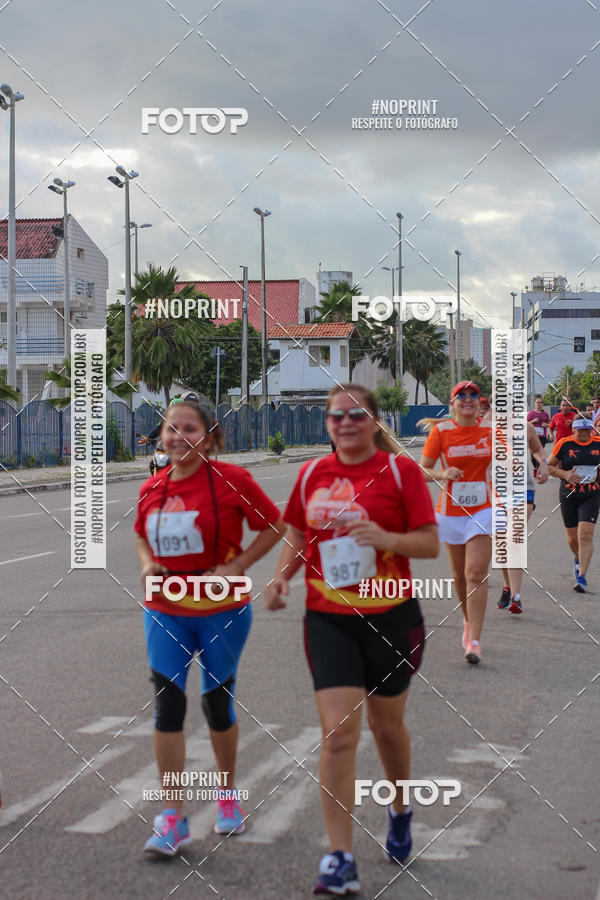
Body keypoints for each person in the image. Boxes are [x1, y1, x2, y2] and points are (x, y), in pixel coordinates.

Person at [265, 383, 438, 896]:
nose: (345, 422)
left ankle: (400, 807)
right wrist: (281, 578)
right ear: (327, 423)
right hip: (329, 617)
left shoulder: (400, 471)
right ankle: (339, 856)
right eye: (336, 415)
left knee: (388, 731)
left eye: (356, 415)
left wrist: (387, 539)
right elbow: (298, 536)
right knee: (340, 734)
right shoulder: (312, 474)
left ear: (375, 422)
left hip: (391, 617)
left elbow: (429, 543)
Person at [135, 397, 286, 856]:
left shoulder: (233, 480)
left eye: (190, 429)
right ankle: (173, 817)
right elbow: (141, 533)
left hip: (222, 609)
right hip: (165, 608)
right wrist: (147, 564)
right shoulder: (152, 488)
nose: (179, 437)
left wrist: (238, 564)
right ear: (161, 437)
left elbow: (275, 526)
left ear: (210, 436)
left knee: (217, 706)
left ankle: (226, 796)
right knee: (168, 707)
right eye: (171, 429)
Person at [420, 380, 492, 664]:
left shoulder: (490, 430)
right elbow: (422, 471)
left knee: (475, 573)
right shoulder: (441, 432)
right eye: (461, 395)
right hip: (451, 512)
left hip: (484, 510)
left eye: (473, 395)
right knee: (460, 576)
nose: (468, 399)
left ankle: (474, 640)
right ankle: (467, 620)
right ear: (453, 403)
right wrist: (443, 474)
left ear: (479, 402)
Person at [497, 422, 549, 613]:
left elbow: (537, 449)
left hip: (523, 489)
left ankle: (515, 598)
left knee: (515, 539)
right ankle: (507, 584)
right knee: (501, 543)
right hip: (496, 491)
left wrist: (543, 464)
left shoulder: (526, 427)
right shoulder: (485, 426)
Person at [547, 414, 600, 592]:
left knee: (585, 534)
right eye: (580, 430)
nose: (584, 433)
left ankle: (582, 577)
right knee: (572, 538)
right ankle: (578, 559)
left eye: (587, 430)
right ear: (574, 429)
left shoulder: (598, 443)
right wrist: (566, 474)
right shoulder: (564, 443)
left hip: (591, 494)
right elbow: (548, 466)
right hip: (569, 494)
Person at [527, 397, 550, 467]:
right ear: (535, 404)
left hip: (542, 437)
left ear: (542, 404)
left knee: (539, 454)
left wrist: (546, 425)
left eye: (540, 402)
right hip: (532, 437)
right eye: (537, 402)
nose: (538, 404)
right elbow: (526, 424)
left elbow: (549, 424)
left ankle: (538, 469)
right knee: (533, 455)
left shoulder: (545, 414)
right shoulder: (531, 413)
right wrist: (533, 421)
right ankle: (535, 467)